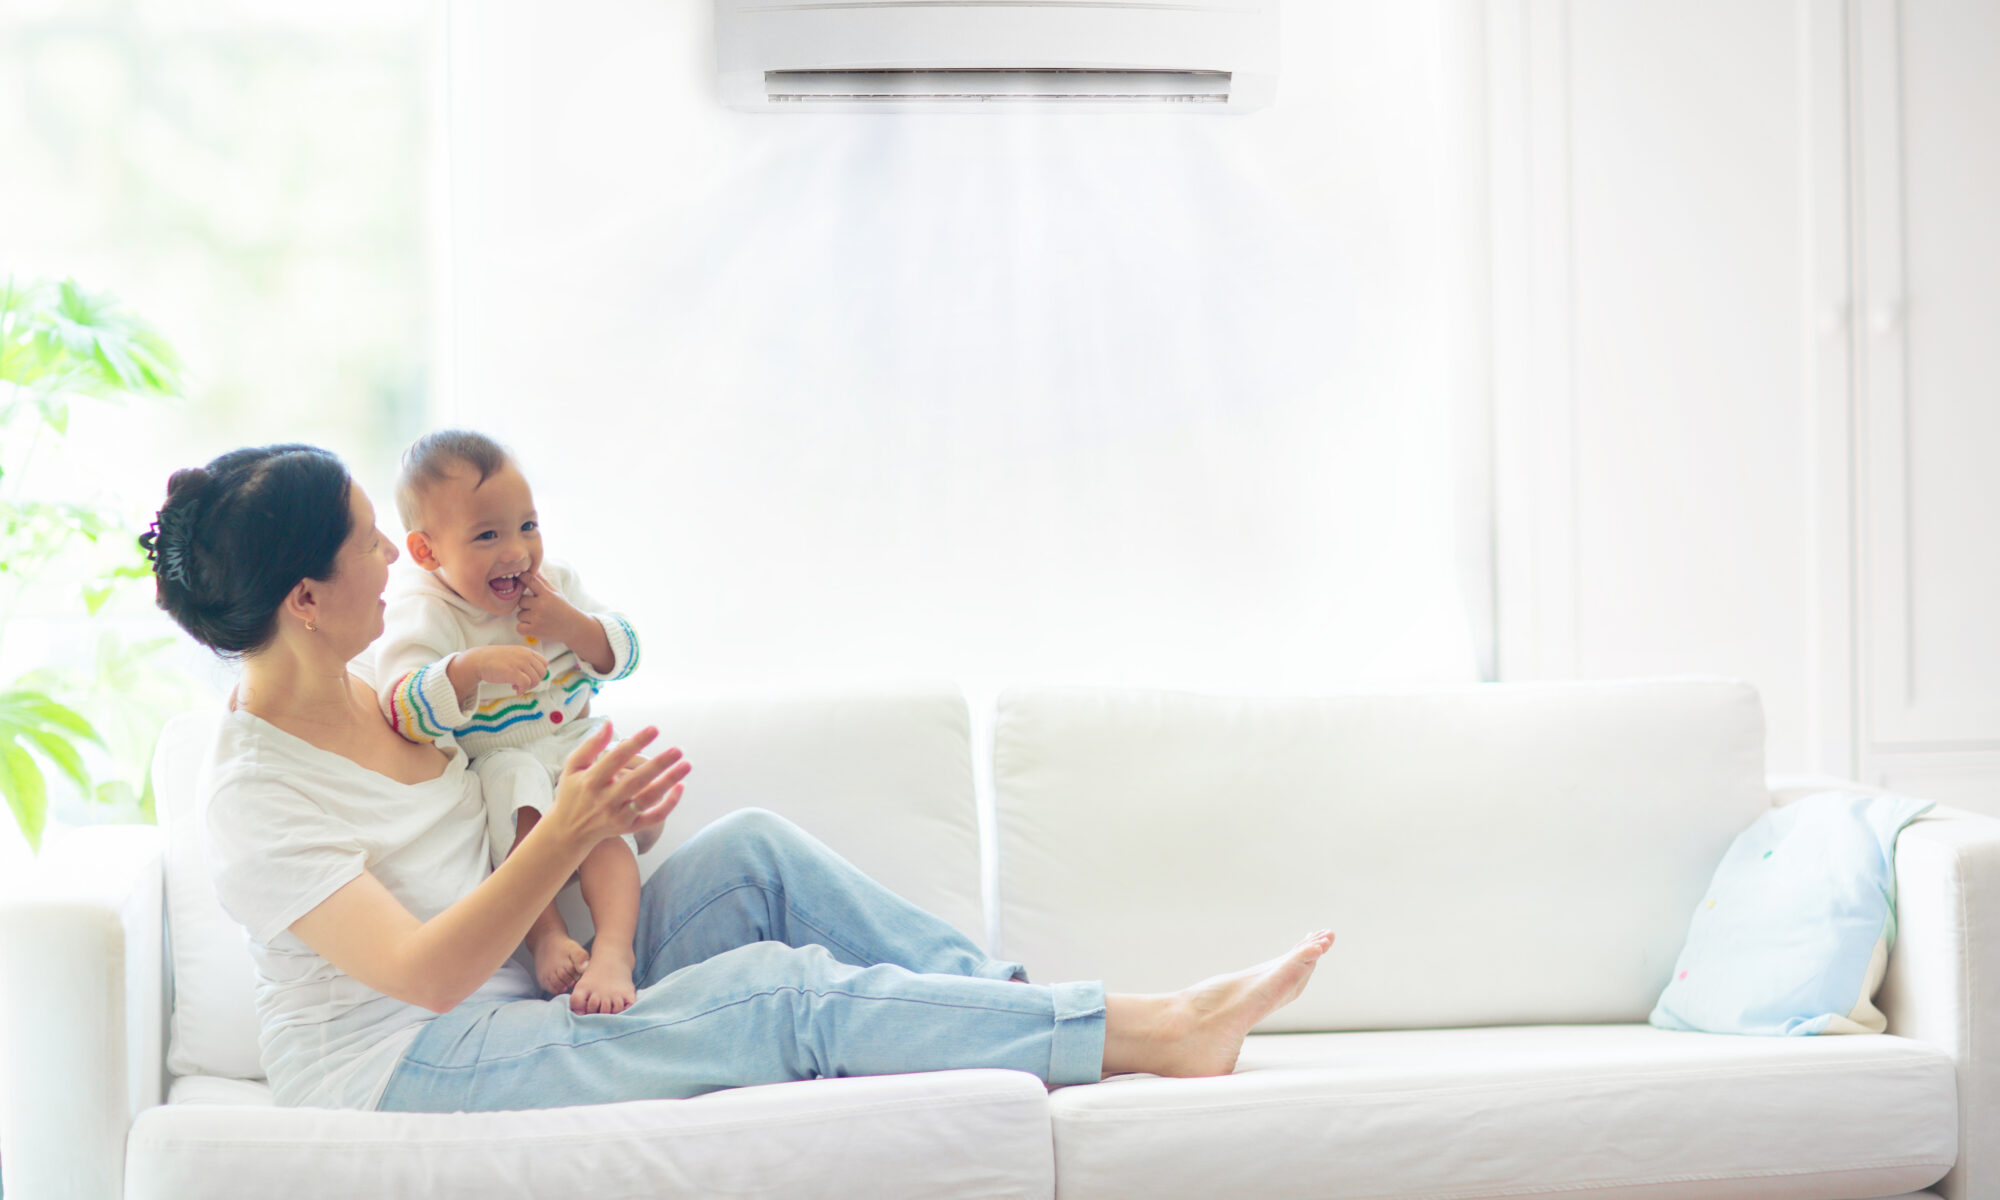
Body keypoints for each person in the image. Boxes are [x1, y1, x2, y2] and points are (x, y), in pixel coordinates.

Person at [140, 442, 1336, 1113]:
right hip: (403, 1057)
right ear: (307, 599)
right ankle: (1156, 1031)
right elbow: (425, 974)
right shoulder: (255, 792)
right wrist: (565, 832)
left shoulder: (375, 682)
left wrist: (595, 827)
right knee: (777, 995)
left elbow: (530, 746)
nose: (393, 568)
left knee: (755, 852)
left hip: (518, 964)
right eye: (366, 545)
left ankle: (1011, 1015)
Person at [376, 429, 650, 1015]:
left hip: (572, 739)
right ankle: (546, 934)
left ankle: (614, 950)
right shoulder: (424, 610)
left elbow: (626, 650)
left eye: (527, 525)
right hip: (502, 756)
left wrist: (573, 626)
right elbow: (400, 705)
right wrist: (467, 670)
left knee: (602, 799)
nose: (517, 551)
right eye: (487, 536)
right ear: (427, 553)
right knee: (512, 794)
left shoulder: (559, 585)